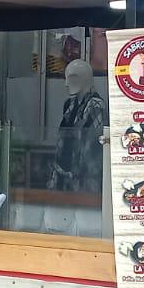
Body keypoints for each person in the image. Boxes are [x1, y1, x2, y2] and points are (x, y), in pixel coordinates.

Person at [49, 59, 106, 192]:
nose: (66, 84)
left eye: (72, 78)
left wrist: (79, 174)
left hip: (85, 178)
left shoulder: (96, 105)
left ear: (84, 80)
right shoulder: (69, 105)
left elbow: (92, 146)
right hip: (64, 173)